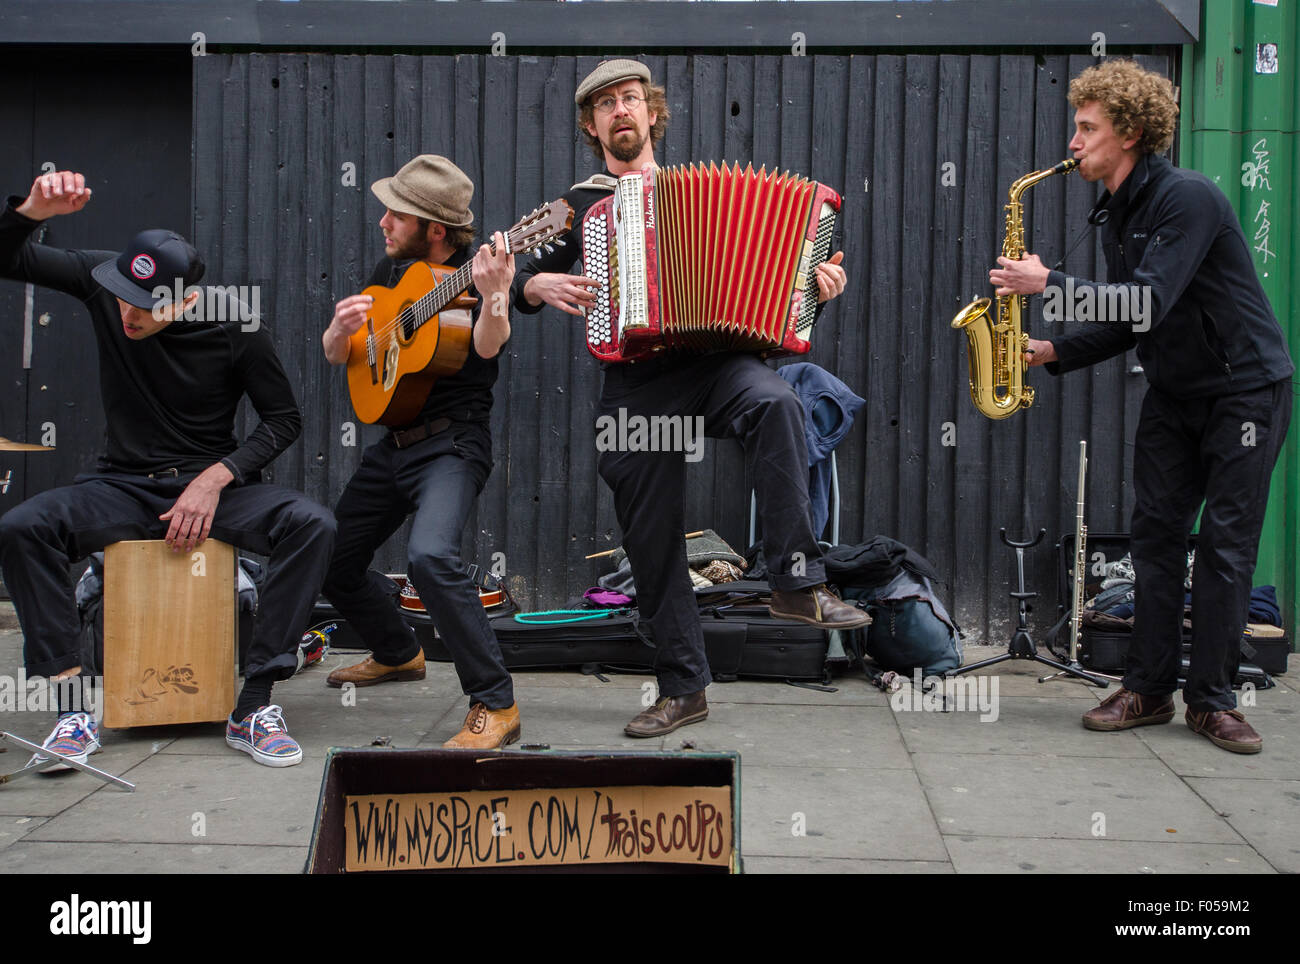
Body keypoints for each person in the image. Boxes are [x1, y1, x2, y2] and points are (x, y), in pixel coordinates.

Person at [511, 60, 870, 739]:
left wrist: (816, 287)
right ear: (592, 126)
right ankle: (684, 688)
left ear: (651, 113)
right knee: (650, 529)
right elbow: (514, 274)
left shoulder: (707, 190)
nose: (621, 111)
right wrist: (535, 289)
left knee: (776, 404)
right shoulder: (577, 205)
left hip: (720, 363)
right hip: (640, 381)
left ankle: (796, 581)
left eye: (630, 99)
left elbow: (795, 288)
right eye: (605, 105)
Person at [990, 59, 1294, 754]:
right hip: (1175, 392)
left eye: (1087, 127)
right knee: (1154, 539)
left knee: (1223, 548)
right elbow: (1135, 322)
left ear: (1128, 131)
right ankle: (1149, 688)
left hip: (1244, 389)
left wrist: (1048, 281)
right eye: (1077, 126)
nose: (1074, 142)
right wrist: (1051, 353)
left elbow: (1147, 300)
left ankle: (1213, 701)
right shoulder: (1118, 211)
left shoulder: (1188, 198)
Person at [0, 170, 336, 769]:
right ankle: (75, 713)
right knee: (24, 527)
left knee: (312, 524)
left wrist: (216, 477)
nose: (129, 312)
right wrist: (28, 214)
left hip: (214, 491)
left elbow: (283, 421)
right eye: (125, 296)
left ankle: (253, 706)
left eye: (148, 305)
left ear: (185, 300)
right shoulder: (104, 281)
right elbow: (9, 259)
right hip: (123, 485)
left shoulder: (238, 327)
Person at [320, 155, 522, 750]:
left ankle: (496, 703)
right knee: (332, 556)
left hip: (452, 446)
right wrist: (336, 335)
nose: (383, 221)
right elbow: (349, 354)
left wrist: (497, 300)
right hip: (394, 445)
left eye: (396, 213)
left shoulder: (472, 277)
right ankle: (398, 651)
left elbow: (486, 347)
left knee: (431, 557)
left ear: (435, 229)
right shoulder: (397, 275)